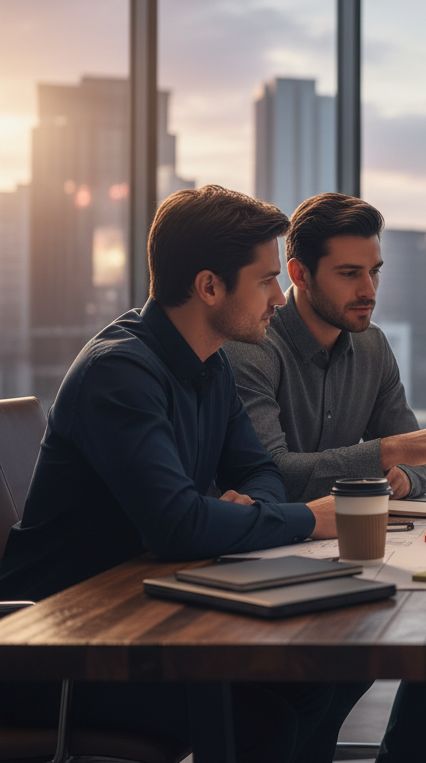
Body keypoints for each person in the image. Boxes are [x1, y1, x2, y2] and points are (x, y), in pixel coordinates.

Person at [0, 185, 368, 762]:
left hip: (142, 616)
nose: (280, 296)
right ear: (209, 286)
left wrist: (243, 510)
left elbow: (257, 470)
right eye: (266, 280)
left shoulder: (209, 361)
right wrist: (303, 520)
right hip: (58, 647)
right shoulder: (119, 374)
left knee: (315, 679)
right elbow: (177, 526)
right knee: (260, 721)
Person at [224, 191, 426, 763]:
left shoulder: (373, 345)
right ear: (297, 273)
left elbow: (415, 458)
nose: (368, 290)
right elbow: (273, 477)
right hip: (268, 562)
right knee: (339, 677)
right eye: (349, 274)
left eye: (373, 271)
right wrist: (385, 454)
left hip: (342, 556)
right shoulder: (253, 347)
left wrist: (401, 475)